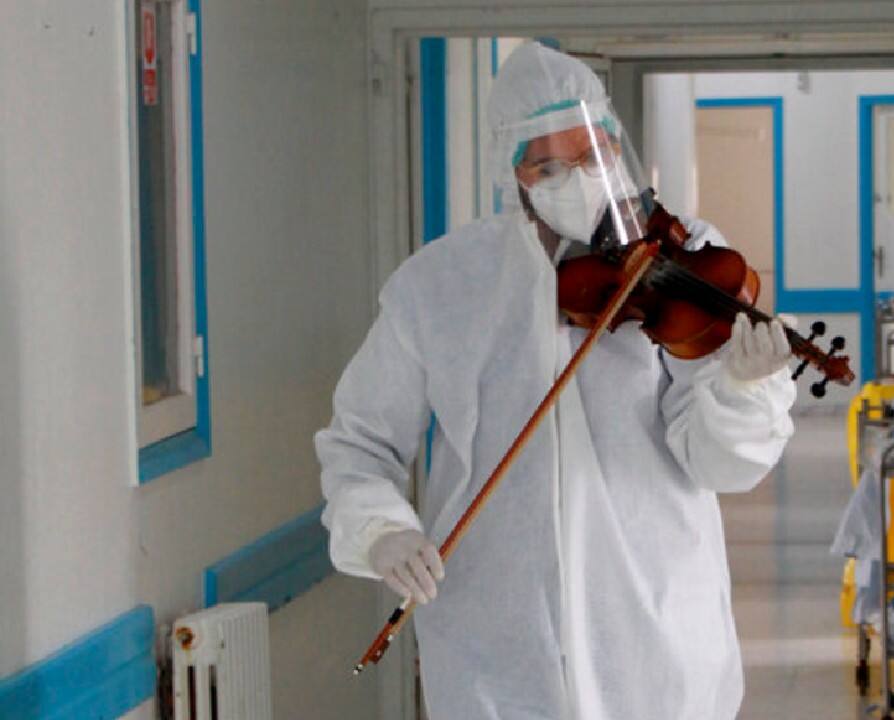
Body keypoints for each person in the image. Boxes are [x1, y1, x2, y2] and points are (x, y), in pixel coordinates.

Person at [317, 41, 796, 719]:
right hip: (496, 640)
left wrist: (740, 396)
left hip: (653, 625)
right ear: (513, 174)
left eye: (592, 153)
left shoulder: (679, 258)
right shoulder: (442, 284)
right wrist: (381, 529)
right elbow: (359, 441)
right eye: (549, 163)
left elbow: (722, 466)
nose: (578, 175)